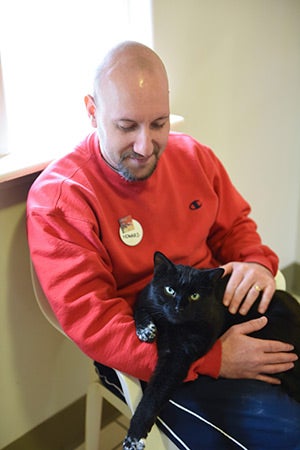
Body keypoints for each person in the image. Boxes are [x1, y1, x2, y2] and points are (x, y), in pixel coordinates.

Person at [27, 41, 300, 449]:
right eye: (126, 126)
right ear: (92, 111)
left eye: (158, 123)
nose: (145, 146)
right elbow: (95, 323)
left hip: (218, 315)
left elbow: (235, 228)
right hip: (150, 348)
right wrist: (211, 360)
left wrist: (256, 264)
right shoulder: (61, 198)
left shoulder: (194, 157)